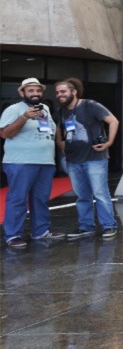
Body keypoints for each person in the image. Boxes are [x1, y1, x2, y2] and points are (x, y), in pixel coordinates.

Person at [53, 78, 118, 241]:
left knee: (100, 193)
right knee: (82, 196)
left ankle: (109, 225)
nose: (59, 95)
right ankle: (86, 227)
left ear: (73, 91)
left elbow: (113, 121)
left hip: (94, 158)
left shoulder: (90, 105)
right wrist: (61, 144)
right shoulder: (61, 111)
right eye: (57, 92)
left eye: (63, 91)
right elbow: (59, 129)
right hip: (73, 160)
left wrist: (109, 143)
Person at [1, 77, 60, 250]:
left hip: (45, 162)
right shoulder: (14, 109)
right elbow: (5, 134)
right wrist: (24, 117)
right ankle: (13, 235)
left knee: (40, 199)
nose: (35, 94)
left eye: (38, 90)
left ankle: (40, 231)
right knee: (18, 199)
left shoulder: (46, 109)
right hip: (21, 161)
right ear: (22, 92)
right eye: (31, 90)